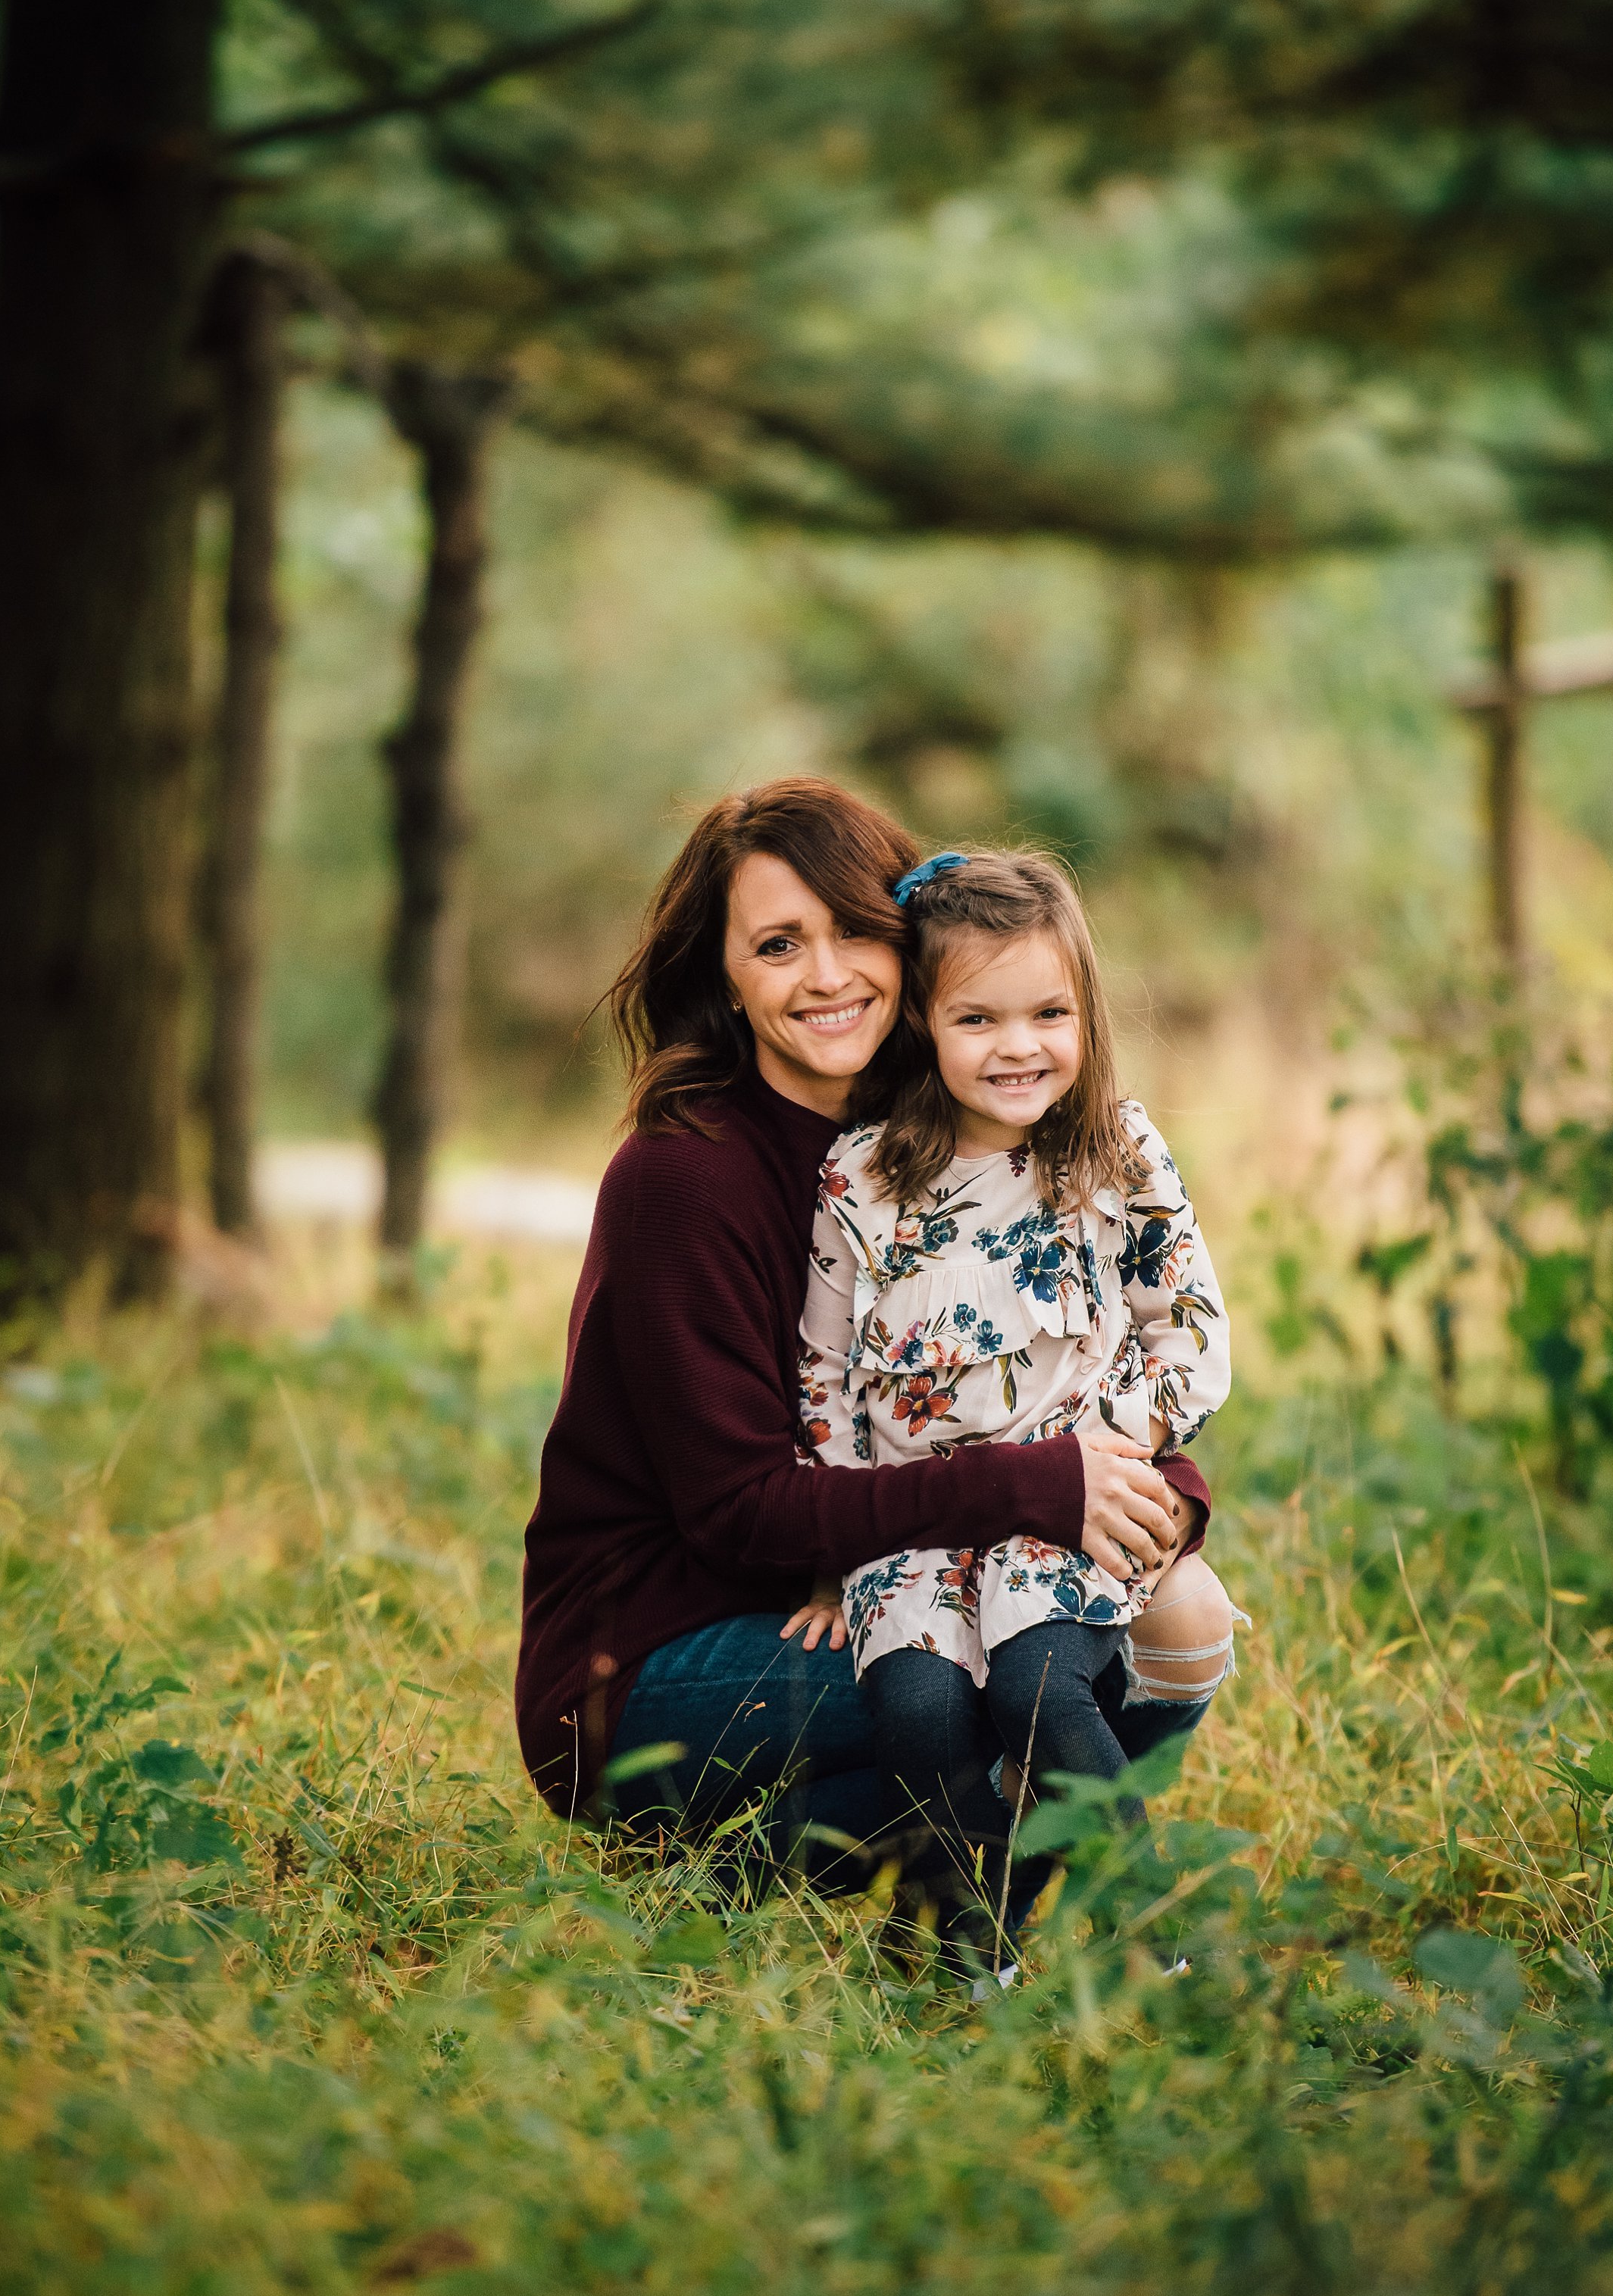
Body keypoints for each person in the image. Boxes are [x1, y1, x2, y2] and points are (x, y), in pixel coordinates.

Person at [514, 781, 1208, 1870]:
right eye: (781, 945)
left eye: (856, 931)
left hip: (875, 1572)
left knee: (1165, 1622)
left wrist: (1143, 1488)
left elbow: (1087, 1351)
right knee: (985, 1673)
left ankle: (912, 1877)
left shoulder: (944, 1136)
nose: (829, 975)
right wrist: (1047, 1486)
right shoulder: (682, 1177)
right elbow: (740, 1514)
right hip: (657, 1652)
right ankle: (773, 1867)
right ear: (726, 980)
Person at [791, 848, 1237, 1946]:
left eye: (1048, 1011)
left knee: (1040, 1684)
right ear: (925, 1028)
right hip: (920, 1515)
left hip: (1073, 1497)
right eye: (979, 1019)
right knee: (922, 1708)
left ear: (1084, 1010)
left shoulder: (1115, 1151)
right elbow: (828, 1376)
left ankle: (1157, 1944)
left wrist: (1120, 1452)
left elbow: (1190, 1331)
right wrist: (828, 1550)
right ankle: (966, 1950)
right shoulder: (863, 1180)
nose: (1020, 1045)